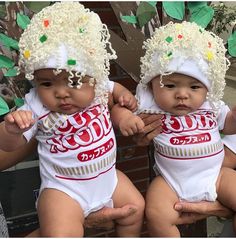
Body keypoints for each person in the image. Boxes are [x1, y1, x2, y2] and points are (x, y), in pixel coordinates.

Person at [0, 2, 145, 237]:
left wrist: (123, 96)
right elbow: (8, 146)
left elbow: (113, 87)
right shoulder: (36, 105)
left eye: (74, 81)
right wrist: (12, 130)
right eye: (47, 83)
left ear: (92, 76)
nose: (61, 93)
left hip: (108, 178)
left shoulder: (97, 88)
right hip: (64, 190)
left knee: (136, 208)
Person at [111, 21, 236, 237]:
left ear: (207, 89)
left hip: (216, 175)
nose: (182, 94)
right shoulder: (150, 106)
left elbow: (230, 125)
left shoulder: (211, 106)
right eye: (170, 85)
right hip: (171, 180)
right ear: (152, 85)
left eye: (194, 86)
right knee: (155, 212)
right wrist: (123, 119)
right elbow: (120, 109)